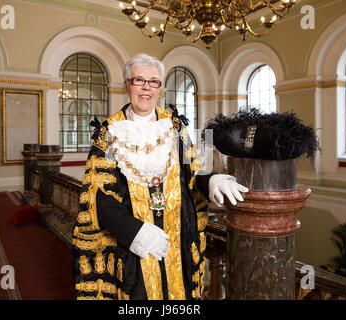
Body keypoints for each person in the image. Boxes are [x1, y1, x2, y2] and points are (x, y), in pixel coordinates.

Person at [72, 53, 248, 300]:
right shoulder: (109, 132)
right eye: (139, 80)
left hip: (178, 239)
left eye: (154, 82)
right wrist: (136, 233)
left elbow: (193, 170)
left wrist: (212, 180)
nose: (147, 88)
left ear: (160, 88)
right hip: (134, 246)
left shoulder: (174, 126)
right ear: (127, 85)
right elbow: (98, 196)